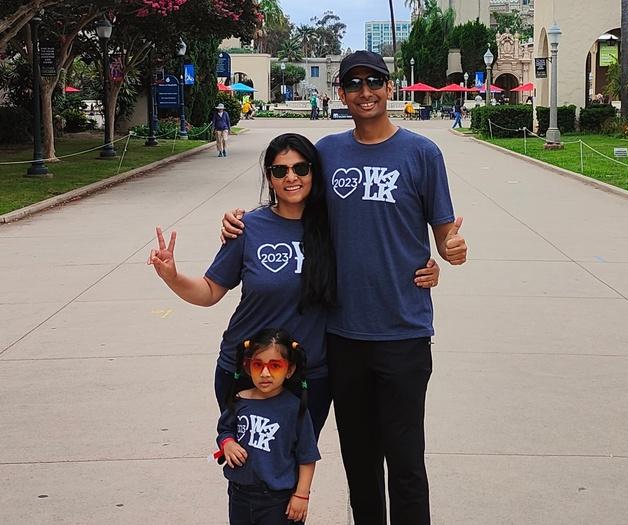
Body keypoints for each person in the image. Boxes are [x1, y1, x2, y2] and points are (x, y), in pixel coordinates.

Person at [222, 50, 467, 525]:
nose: (364, 91)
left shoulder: (422, 153)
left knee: (406, 463)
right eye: (353, 83)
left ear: (390, 87)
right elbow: (290, 197)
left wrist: (451, 251)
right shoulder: (329, 153)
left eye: (374, 81)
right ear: (341, 93)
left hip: (403, 332)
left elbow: (444, 236)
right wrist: (240, 220)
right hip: (342, 337)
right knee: (360, 463)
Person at [150, 133, 441, 439]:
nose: (291, 177)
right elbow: (209, 291)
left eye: (301, 168)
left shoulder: (334, 228)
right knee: (250, 463)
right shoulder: (249, 228)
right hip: (248, 369)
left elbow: (374, 259)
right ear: (269, 178)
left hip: (309, 377)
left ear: (314, 173)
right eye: (280, 170)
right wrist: (172, 276)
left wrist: (426, 270)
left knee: (298, 462)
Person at [216, 328, 320, 525]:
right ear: (248, 367)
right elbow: (225, 430)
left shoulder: (294, 409)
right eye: (258, 365)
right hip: (239, 495)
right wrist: (227, 443)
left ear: (289, 370)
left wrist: (301, 495)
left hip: (277, 500)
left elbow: (307, 456)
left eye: (275, 366)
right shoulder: (239, 401)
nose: (265, 373)